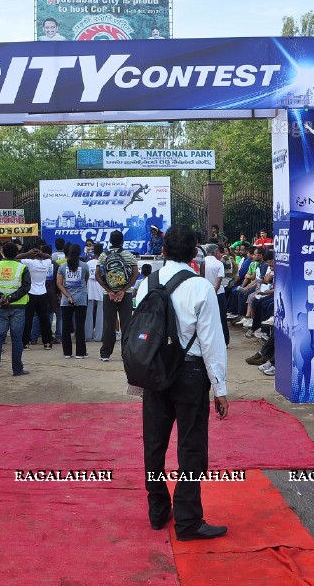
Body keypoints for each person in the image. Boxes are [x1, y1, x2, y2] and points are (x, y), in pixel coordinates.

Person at [137, 225, 228, 541]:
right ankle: (188, 521)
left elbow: (142, 336)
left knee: (154, 443)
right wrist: (221, 389)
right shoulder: (201, 287)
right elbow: (212, 342)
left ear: (162, 251)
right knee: (191, 447)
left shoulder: (146, 284)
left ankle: (157, 511)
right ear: (194, 254)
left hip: (155, 375)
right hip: (190, 376)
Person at [0, 241, 32, 379]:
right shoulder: (22, 268)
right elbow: (26, 287)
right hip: (18, 307)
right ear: (17, 253)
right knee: (17, 339)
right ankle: (17, 369)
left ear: (2, 252)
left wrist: (0, 297)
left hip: (0, 307)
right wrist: (10, 298)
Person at [96, 230, 139, 362]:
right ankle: (126, 353)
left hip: (108, 295)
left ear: (110, 241)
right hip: (125, 294)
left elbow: (98, 275)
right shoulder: (128, 255)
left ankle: (105, 353)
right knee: (126, 324)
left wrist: (109, 290)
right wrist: (123, 290)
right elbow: (135, 274)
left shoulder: (103, 256)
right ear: (122, 241)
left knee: (108, 323)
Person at [56, 243, 89, 359]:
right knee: (80, 326)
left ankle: (67, 352)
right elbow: (86, 279)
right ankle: (80, 352)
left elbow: (59, 284)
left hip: (66, 300)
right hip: (81, 298)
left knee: (65, 326)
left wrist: (68, 296)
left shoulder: (62, 267)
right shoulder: (85, 266)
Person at [18, 247, 54, 350]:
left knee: (28, 319)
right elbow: (49, 257)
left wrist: (27, 253)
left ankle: (26, 343)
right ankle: (47, 342)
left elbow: (16, 258)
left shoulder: (29, 262)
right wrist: (41, 253)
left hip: (30, 293)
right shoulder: (46, 263)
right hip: (43, 293)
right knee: (45, 319)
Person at [202, 244, 230, 345]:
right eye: (218, 252)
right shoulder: (218, 264)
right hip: (218, 293)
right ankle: (225, 341)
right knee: (222, 317)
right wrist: (213, 291)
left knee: (206, 318)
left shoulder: (203, 262)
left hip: (205, 293)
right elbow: (218, 283)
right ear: (214, 252)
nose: (219, 254)